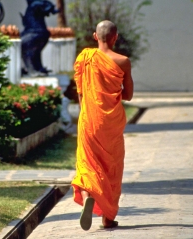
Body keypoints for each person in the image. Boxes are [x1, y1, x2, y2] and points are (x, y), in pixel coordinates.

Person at [71, 20, 134, 231]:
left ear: (95, 36)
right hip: (112, 124)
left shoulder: (84, 58)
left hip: (89, 119)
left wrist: (85, 113)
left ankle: (89, 195)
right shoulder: (123, 61)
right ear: (115, 38)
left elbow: (80, 92)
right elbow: (128, 95)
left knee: (87, 163)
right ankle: (108, 218)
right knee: (112, 167)